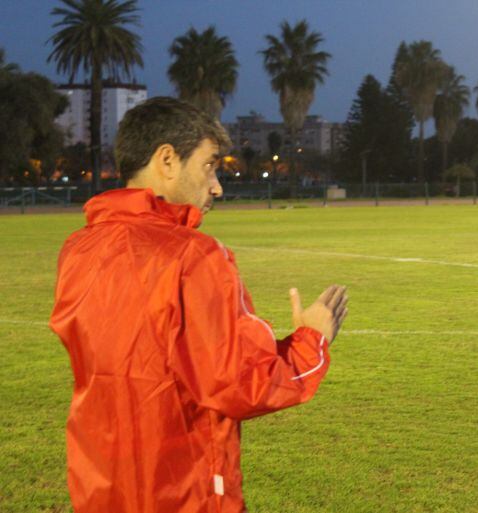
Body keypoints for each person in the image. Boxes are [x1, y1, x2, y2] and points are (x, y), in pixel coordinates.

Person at [49, 97, 349, 513]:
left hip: (99, 487)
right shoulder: (196, 257)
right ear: (167, 160)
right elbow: (238, 384)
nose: (217, 186)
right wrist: (311, 339)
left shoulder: (78, 249)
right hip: (183, 493)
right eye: (209, 165)